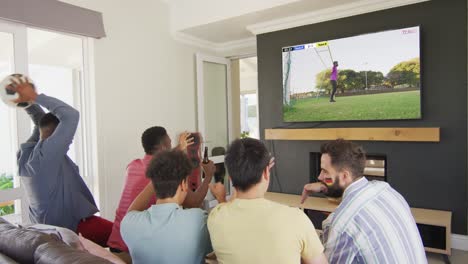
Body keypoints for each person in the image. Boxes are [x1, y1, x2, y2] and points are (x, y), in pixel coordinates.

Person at [10, 77, 112, 246]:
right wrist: (34, 96)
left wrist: (26, 101)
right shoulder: (48, 157)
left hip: (48, 229)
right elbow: (71, 115)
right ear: (56, 134)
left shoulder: (27, 156)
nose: (68, 140)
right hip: (70, 230)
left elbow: (40, 120)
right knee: (125, 237)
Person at [301, 139, 426, 264]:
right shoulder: (386, 190)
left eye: (325, 171)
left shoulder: (343, 224)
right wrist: (325, 186)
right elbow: (353, 199)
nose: (319, 177)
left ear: (344, 176)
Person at [208, 138, 328, 264]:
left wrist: (221, 197)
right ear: (266, 172)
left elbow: (231, 203)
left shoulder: (215, 217)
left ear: (231, 179)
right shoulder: (296, 219)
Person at [107, 127, 211, 253]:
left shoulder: (132, 165)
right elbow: (194, 202)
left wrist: (179, 148)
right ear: (163, 147)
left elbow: (162, 161)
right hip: (132, 250)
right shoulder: (166, 172)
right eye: (170, 143)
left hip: (115, 243)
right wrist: (208, 176)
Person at [121, 149, 225, 264]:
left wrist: (157, 179)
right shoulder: (197, 219)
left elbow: (131, 212)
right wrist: (221, 199)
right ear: (183, 184)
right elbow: (226, 236)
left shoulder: (129, 224)